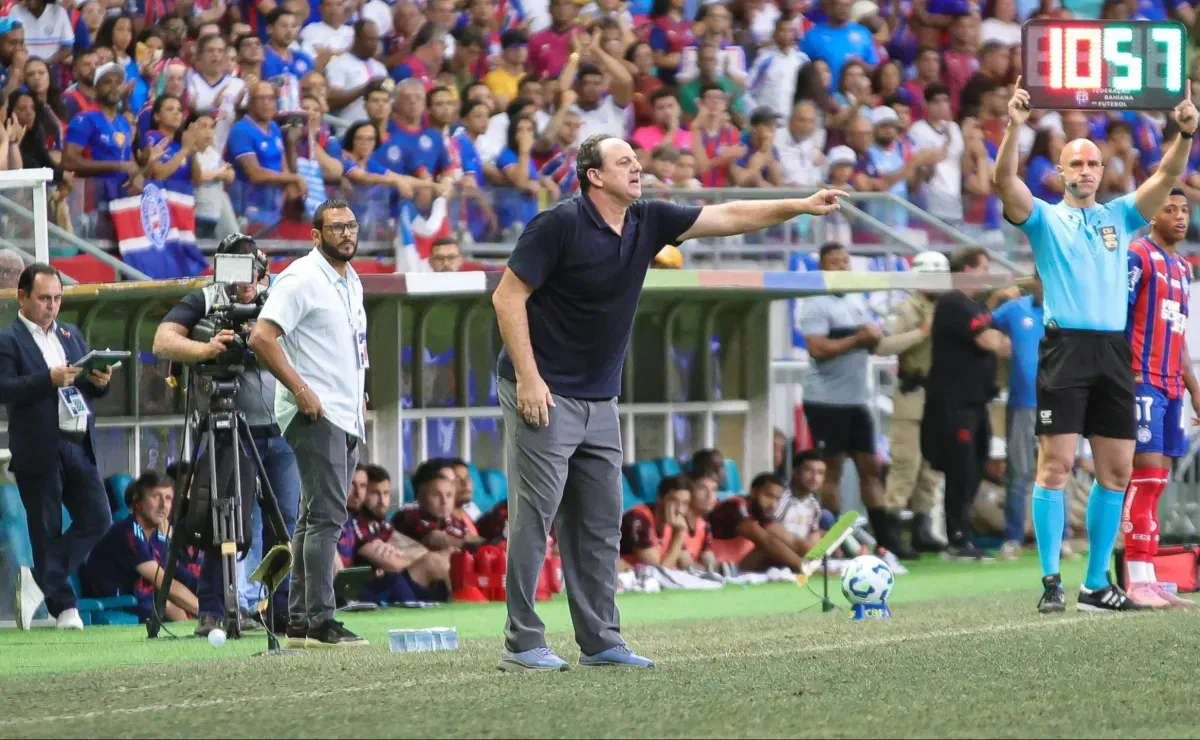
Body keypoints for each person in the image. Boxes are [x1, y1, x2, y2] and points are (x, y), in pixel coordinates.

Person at [490, 131, 846, 671]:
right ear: (594, 177)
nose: (638, 167)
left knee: (600, 522)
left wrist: (798, 205)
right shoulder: (558, 224)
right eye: (624, 162)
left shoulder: (647, 220)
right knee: (534, 519)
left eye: (637, 159)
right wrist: (529, 378)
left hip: (599, 397)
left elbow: (728, 216)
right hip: (542, 388)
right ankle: (523, 642)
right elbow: (506, 295)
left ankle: (602, 642)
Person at [994, 78, 1196, 613]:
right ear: (1059, 173)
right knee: (1056, 466)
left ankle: (1095, 583)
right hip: (1065, 350)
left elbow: (1169, 174)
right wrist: (1014, 127)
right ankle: (1050, 581)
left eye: (1092, 164)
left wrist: (1184, 133)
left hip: (1113, 351)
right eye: (1075, 164)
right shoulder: (1043, 216)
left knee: (1116, 472)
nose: (1085, 171)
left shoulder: (1121, 215)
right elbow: (1003, 182)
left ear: (1102, 173)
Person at [151, 233, 302, 636]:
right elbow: (162, 340)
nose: (244, 281)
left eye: (252, 271)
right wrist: (205, 350)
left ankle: (280, 609)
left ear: (263, 269)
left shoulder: (278, 297)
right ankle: (212, 609)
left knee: (285, 520)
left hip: (283, 427)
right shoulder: (208, 297)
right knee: (224, 519)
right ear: (220, 269)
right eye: (235, 271)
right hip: (230, 425)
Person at [249, 198, 370, 648]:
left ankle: (299, 621)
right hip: (314, 411)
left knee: (311, 518)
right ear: (316, 235)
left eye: (352, 225)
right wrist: (301, 389)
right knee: (326, 516)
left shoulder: (350, 279)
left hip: (344, 409)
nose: (347, 233)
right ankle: (320, 621)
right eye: (336, 227)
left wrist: (358, 389)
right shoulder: (301, 277)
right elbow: (262, 336)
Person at [0, 263, 114, 631]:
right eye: (45, 298)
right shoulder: (8, 340)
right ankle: (64, 608)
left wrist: (101, 381)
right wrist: (47, 380)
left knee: (98, 517)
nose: (52, 306)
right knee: (45, 530)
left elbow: (86, 390)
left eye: (58, 298)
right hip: (38, 446)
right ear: (23, 297)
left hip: (78, 441)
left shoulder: (71, 333)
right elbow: (5, 389)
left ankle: (36, 580)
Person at [1122, 190, 1199, 607]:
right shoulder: (1138, 255)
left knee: (1159, 482)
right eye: (1169, 209)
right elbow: (1120, 315)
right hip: (1142, 380)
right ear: (1152, 216)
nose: (1180, 217)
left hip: (1171, 383)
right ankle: (1136, 577)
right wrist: (1125, 373)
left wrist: (1194, 387)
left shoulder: (1183, 267)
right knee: (1146, 477)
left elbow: (1179, 331)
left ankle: (1150, 576)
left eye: (1184, 210)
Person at [920, 247, 1011, 561]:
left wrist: (996, 301)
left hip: (975, 401)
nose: (987, 274)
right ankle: (956, 538)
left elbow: (983, 318)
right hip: (953, 402)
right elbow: (988, 340)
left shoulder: (971, 304)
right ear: (967, 270)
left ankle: (962, 533)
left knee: (977, 463)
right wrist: (1017, 341)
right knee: (961, 468)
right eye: (982, 267)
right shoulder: (952, 302)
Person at [876, 250, 945, 556]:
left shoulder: (948, 307)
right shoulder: (905, 309)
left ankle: (922, 527)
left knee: (932, 467)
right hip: (911, 392)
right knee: (906, 463)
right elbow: (883, 345)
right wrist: (920, 333)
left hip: (939, 395)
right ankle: (891, 531)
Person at [82, 471, 201, 623]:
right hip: (116, 602)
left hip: (142, 599)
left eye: (168, 498)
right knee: (171, 606)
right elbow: (164, 583)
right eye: (156, 496)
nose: (163, 505)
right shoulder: (127, 532)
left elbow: (182, 575)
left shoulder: (157, 537)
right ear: (137, 502)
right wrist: (207, 611)